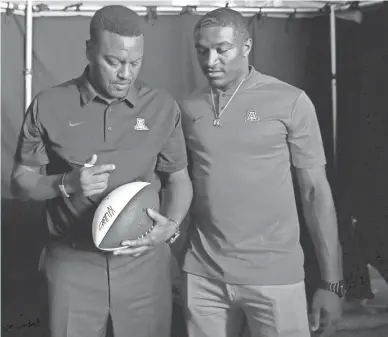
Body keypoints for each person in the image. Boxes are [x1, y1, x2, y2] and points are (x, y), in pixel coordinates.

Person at [11, 5, 193, 337]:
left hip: (144, 265)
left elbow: (179, 179)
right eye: (114, 62)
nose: (125, 73)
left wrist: (172, 227)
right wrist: (66, 183)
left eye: (134, 63)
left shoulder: (162, 106)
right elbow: (21, 182)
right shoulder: (48, 104)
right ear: (90, 51)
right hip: (72, 262)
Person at [179, 7, 344, 337]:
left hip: (275, 276)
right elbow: (184, 183)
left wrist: (333, 283)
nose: (210, 61)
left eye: (222, 49)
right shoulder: (188, 106)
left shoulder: (291, 101)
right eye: (202, 50)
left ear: (246, 46)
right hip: (203, 275)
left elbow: (315, 192)